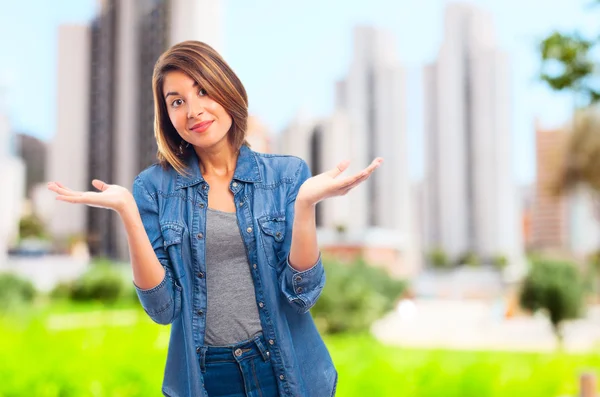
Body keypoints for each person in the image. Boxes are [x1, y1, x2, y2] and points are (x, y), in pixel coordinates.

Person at [48, 40, 383, 397]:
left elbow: (301, 295)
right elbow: (163, 309)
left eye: (203, 90)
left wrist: (304, 206)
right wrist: (128, 212)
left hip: (287, 370)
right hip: (207, 376)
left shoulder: (287, 175)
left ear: (228, 89)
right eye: (177, 101)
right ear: (167, 115)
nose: (193, 110)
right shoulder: (154, 188)